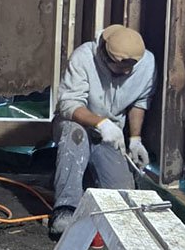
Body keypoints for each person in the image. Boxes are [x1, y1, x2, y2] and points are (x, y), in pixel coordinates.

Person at [48, 24, 156, 238]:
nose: (126, 72)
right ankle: (66, 209)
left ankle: (83, 181)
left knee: (120, 202)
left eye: (130, 67)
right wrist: (101, 123)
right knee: (74, 133)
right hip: (78, 124)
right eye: (121, 67)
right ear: (106, 57)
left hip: (110, 134)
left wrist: (135, 139)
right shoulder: (84, 57)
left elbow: (140, 102)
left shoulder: (147, 63)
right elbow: (68, 104)